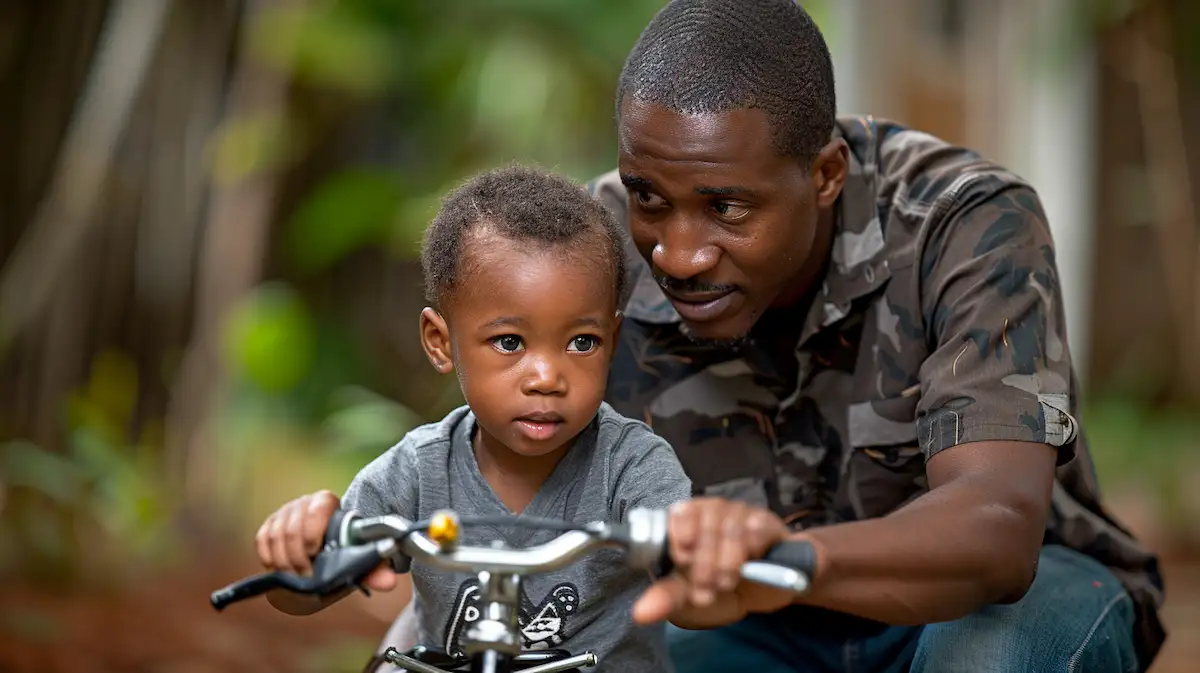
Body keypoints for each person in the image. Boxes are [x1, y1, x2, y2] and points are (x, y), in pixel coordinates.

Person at [384, 1, 1168, 671]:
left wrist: (789, 562)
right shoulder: (595, 254)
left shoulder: (962, 223)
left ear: (825, 174)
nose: (676, 255)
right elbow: (489, 492)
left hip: (989, 598)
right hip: (743, 621)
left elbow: (996, 530)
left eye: (726, 207)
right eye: (648, 196)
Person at [252, 165, 695, 671]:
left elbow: (692, 586)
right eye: (510, 342)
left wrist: (695, 556)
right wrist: (299, 549)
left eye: (582, 342)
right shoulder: (418, 472)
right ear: (441, 343)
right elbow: (301, 597)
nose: (547, 377)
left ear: (612, 342)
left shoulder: (633, 467)